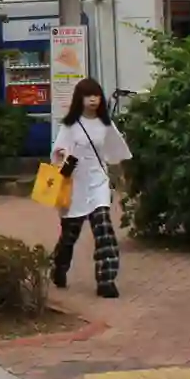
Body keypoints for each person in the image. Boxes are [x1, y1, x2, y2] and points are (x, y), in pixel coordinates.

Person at [49, 77, 131, 299]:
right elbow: (56, 153)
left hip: (98, 182)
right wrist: (63, 155)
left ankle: (106, 280)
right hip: (74, 184)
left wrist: (121, 178)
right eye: (88, 96)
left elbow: (117, 151)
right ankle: (59, 267)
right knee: (69, 234)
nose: (93, 100)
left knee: (104, 228)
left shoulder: (105, 125)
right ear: (80, 99)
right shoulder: (70, 125)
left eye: (96, 95)